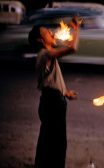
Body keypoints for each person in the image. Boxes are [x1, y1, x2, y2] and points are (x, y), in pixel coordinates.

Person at [28, 16, 80, 168]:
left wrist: (64, 93)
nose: (52, 33)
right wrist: (77, 29)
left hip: (51, 101)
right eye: (46, 31)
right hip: (52, 105)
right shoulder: (45, 54)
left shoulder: (45, 56)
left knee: (49, 143)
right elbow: (72, 48)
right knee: (56, 147)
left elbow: (50, 82)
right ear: (40, 40)